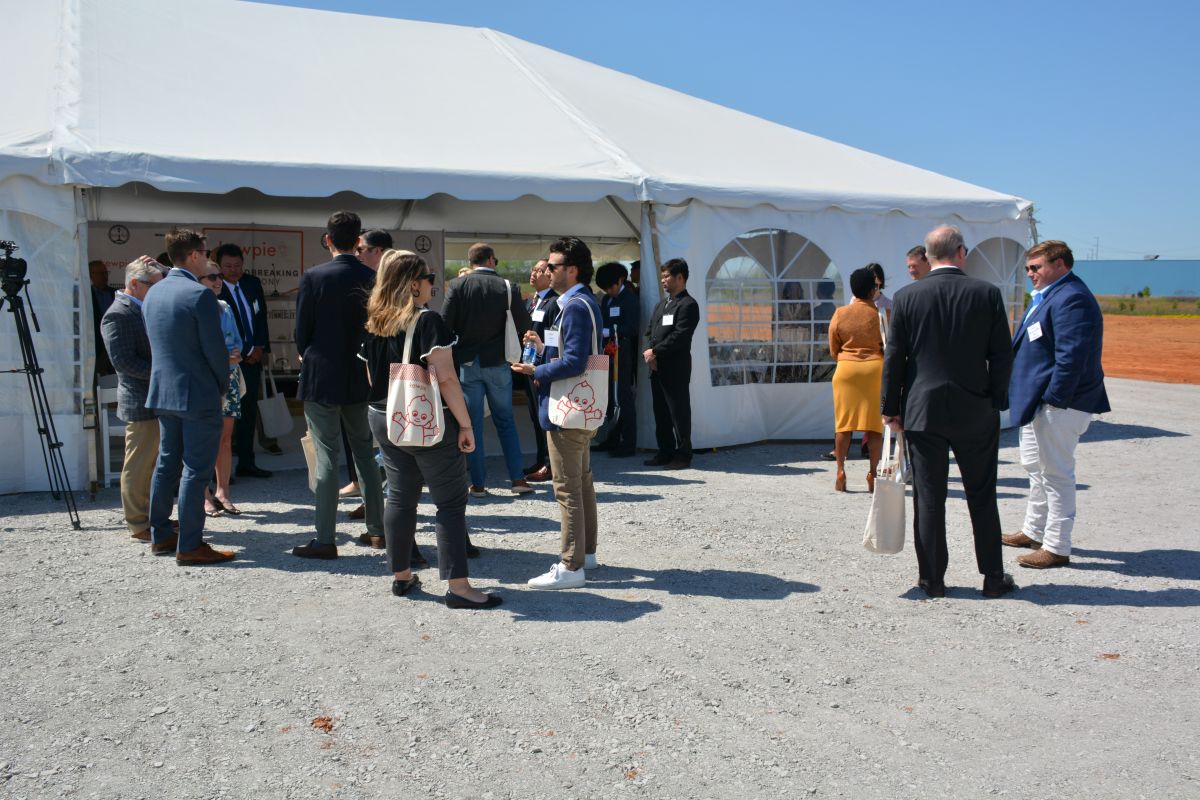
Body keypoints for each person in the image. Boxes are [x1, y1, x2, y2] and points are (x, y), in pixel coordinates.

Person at [361, 250, 501, 609]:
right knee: (450, 503)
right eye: (428, 278)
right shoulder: (428, 322)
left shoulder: (376, 320)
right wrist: (466, 424)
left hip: (384, 414)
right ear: (412, 284)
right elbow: (448, 379)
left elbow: (370, 376)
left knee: (400, 496)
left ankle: (401, 575)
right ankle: (459, 585)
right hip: (427, 419)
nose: (433, 285)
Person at [881, 225, 1014, 599]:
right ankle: (992, 576)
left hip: (923, 409)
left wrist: (890, 407)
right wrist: (997, 399)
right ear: (960, 252)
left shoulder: (907, 296)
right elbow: (1001, 353)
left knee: (929, 496)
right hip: (976, 407)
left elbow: (895, 356)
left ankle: (933, 580)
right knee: (982, 494)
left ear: (929, 254)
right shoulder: (986, 293)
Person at [1003, 240, 1110, 569]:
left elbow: (1071, 358)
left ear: (1060, 264)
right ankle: (1034, 531)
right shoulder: (1051, 295)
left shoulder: (1072, 298)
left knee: (1057, 474)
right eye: (1028, 269)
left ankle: (1057, 546)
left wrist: (1053, 401)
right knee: (1036, 470)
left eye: (1036, 267)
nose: (1030, 274)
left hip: (1060, 405)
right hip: (1041, 404)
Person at [291, 210, 385, 559]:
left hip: (322, 375)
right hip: (361, 375)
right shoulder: (372, 277)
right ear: (359, 241)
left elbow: (302, 332)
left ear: (327, 239)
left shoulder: (314, 277)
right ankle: (377, 530)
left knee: (328, 455)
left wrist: (309, 354)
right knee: (365, 452)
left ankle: (325, 538)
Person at [513, 237, 603, 589]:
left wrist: (537, 371)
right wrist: (542, 347)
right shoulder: (582, 302)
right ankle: (587, 555)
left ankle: (571, 565)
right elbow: (572, 353)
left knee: (567, 488)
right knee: (582, 483)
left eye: (552, 266)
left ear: (572, 269)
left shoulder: (576, 306)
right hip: (580, 406)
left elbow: (575, 362)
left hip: (567, 408)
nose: (546, 271)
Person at [142, 229, 235, 565]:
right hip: (197, 393)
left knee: (167, 464)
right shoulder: (198, 295)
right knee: (195, 470)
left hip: (163, 391)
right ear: (194, 255)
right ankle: (191, 544)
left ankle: (161, 535)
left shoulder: (153, 293)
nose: (209, 258)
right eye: (206, 252)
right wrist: (222, 386)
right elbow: (215, 352)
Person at [441, 243, 534, 496]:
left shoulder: (457, 285)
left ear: (471, 262)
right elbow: (523, 322)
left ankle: (479, 484)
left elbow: (446, 324)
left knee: (471, 424)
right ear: (491, 260)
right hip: (499, 362)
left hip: (468, 363)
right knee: (506, 421)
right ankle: (517, 479)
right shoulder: (507, 287)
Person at [100, 256, 164, 543]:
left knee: (151, 464)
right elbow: (124, 362)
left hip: (154, 397)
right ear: (135, 284)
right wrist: (164, 373)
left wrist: (165, 269)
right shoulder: (119, 313)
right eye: (154, 285)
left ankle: (150, 516)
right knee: (138, 466)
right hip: (140, 400)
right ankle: (138, 524)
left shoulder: (140, 306)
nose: (160, 291)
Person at [214, 243, 273, 479]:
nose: (233, 270)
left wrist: (261, 347)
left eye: (237, 265)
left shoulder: (251, 284)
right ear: (219, 266)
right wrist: (243, 350)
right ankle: (222, 471)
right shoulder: (215, 289)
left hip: (253, 359)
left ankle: (247, 462)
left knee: (248, 412)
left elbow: (261, 318)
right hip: (229, 361)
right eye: (228, 266)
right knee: (226, 416)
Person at [828, 267, 886, 492]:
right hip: (874, 370)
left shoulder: (840, 313)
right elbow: (889, 346)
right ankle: (872, 472)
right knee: (874, 427)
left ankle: (841, 471)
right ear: (873, 290)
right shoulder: (881, 315)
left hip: (846, 370)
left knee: (843, 425)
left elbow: (834, 347)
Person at [643, 258, 699, 469]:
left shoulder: (688, 305)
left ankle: (683, 454)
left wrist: (655, 352)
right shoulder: (662, 304)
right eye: (662, 277)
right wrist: (652, 355)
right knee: (661, 413)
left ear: (680, 278)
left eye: (667, 276)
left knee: (679, 412)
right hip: (657, 367)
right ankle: (665, 452)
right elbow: (651, 331)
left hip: (676, 367)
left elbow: (680, 336)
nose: (664, 281)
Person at [201, 262, 244, 517]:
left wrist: (236, 353)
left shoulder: (225, 307)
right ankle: (203, 495)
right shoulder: (194, 307)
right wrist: (224, 356)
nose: (218, 281)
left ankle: (223, 492)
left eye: (220, 276)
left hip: (228, 378)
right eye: (212, 276)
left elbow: (237, 341)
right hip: (206, 380)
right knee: (203, 440)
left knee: (225, 439)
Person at [594, 261, 640, 457]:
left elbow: (631, 327)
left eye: (611, 287)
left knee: (623, 397)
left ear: (620, 281)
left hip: (623, 352)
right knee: (609, 398)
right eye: (605, 289)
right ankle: (611, 439)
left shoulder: (629, 300)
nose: (609, 291)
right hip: (608, 352)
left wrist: (610, 331)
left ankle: (628, 442)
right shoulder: (607, 300)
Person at [521, 259, 559, 482]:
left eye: (539, 270)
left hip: (542, 366)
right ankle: (541, 458)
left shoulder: (553, 302)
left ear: (550, 275)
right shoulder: (531, 301)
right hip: (528, 364)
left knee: (545, 416)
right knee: (535, 416)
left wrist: (543, 367)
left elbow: (552, 337)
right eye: (532, 269)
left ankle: (550, 464)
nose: (533, 273)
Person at [89, 260, 116, 379]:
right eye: (100, 273)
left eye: (106, 272)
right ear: (91, 275)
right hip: (97, 347)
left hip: (115, 344)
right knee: (99, 381)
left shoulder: (115, 293)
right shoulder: (87, 295)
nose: (105, 276)